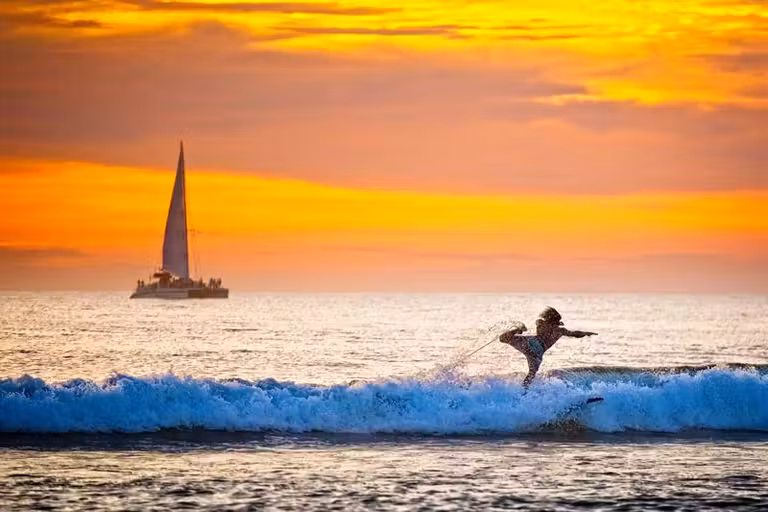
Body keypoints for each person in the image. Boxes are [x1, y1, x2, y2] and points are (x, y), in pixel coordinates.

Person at [499, 306, 597, 389]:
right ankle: (523, 392)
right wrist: (587, 333)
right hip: (538, 352)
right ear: (553, 320)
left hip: (530, 343)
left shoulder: (541, 324)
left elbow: (539, 322)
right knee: (531, 374)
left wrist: (522, 329)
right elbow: (575, 334)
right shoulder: (560, 330)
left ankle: (517, 330)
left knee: (503, 338)